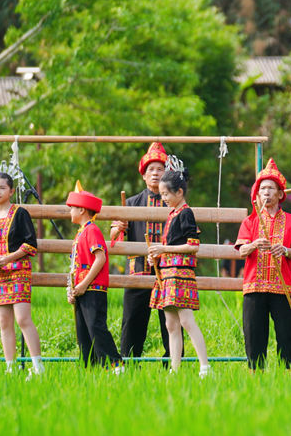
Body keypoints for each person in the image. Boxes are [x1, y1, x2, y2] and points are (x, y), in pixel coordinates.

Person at [234, 159, 291, 371]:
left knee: (288, 333)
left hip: (283, 288)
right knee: (254, 334)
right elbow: (241, 251)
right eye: (262, 188)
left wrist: (283, 250)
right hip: (254, 286)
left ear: (280, 194)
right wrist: (255, 244)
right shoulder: (250, 221)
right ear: (256, 195)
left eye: (271, 188)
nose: (266, 193)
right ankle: (256, 375)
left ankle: (290, 374)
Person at [109, 142, 173, 362]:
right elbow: (113, 237)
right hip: (138, 271)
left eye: (160, 169)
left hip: (167, 270)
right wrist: (118, 228)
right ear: (144, 176)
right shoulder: (131, 203)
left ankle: (173, 366)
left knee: (171, 322)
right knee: (132, 322)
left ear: (167, 174)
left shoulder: (174, 203)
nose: (155, 174)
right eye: (151, 170)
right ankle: (127, 364)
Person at [147, 162, 210, 377]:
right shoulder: (172, 214)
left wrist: (164, 248)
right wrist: (157, 256)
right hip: (167, 272)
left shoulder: (186, 213)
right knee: (171, 324)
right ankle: (175, 370)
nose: (163, 197)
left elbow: (193, 245)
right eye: (162, 194)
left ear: (180, 192)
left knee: (186, 320)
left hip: (181, 273)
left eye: (166, 193)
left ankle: (204, 366)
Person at [0, 171, 44, 377]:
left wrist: (8, 258)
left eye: (2, 188)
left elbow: (30, 245)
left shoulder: (20, 213)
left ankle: (38, 368)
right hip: (0, 276)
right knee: (4, 323)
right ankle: (11, 368)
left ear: (11, 191)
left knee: (23, 319)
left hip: (19, 272)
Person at [65, 182, 123, 371]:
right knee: (83, 333)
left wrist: (83, 284)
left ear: (82, 209)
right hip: (82, 289)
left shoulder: (92, 230)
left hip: (93, 289)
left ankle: (116, 365)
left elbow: (100, 258)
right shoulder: (80, 233)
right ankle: (92, 369)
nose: (70, 212)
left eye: (72, 208)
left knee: (96, 328)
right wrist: (72, 289)